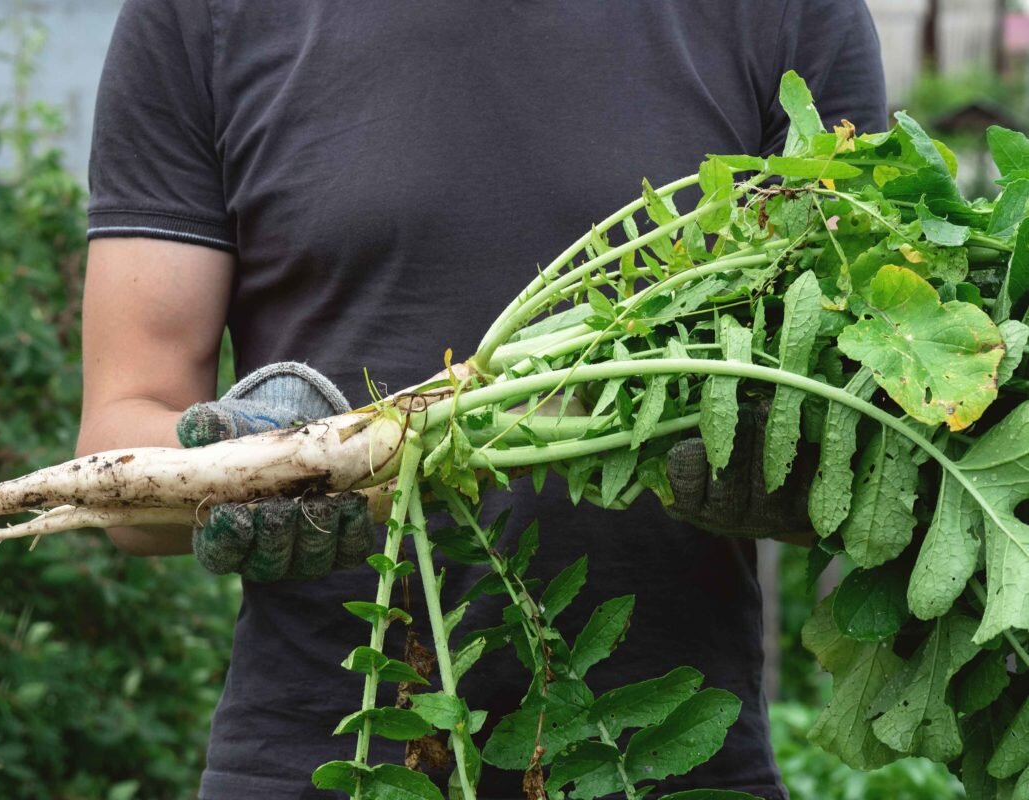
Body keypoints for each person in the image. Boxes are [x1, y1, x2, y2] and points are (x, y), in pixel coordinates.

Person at [77, 2, 886, 798]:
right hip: (328, 754)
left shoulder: (788, 14)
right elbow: (119, 444)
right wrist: (254, 468)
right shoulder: (201, 16)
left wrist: (782, 464)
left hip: (666, 760)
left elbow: (872, 413)